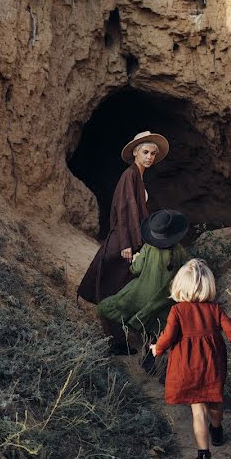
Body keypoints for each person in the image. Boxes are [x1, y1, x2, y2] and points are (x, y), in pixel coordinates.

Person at [76, 131, 169, 353]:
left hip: (128, 242)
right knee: (114, 291)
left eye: (153, 153)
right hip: (122, 244)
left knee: (123, 290)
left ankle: (123, 340)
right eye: (145, 152)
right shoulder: (130, 175)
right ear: (135, 153)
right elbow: (124, 210)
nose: (150, 157)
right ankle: (116, 343)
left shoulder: (137, 176)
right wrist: (128, 244)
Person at [150, 259, 231, 459]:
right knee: (215, 399)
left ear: (179, 286)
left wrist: (157, 348)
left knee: (198, 411)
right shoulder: (215, 310)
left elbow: (168, 336)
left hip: (188, 367)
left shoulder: (177, 311)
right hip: (213, 364)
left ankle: (203, 457)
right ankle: (218, 430)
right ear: (209, 286)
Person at [97, 209, 190, 361]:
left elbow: (135, 269)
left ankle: (117, 341)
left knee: (108, 307)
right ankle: (149, 358)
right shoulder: (181, 252)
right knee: (155, 328)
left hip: (140, 294)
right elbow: (187, 273)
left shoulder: (148, 247)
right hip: (164, 301)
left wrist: (136, 259)